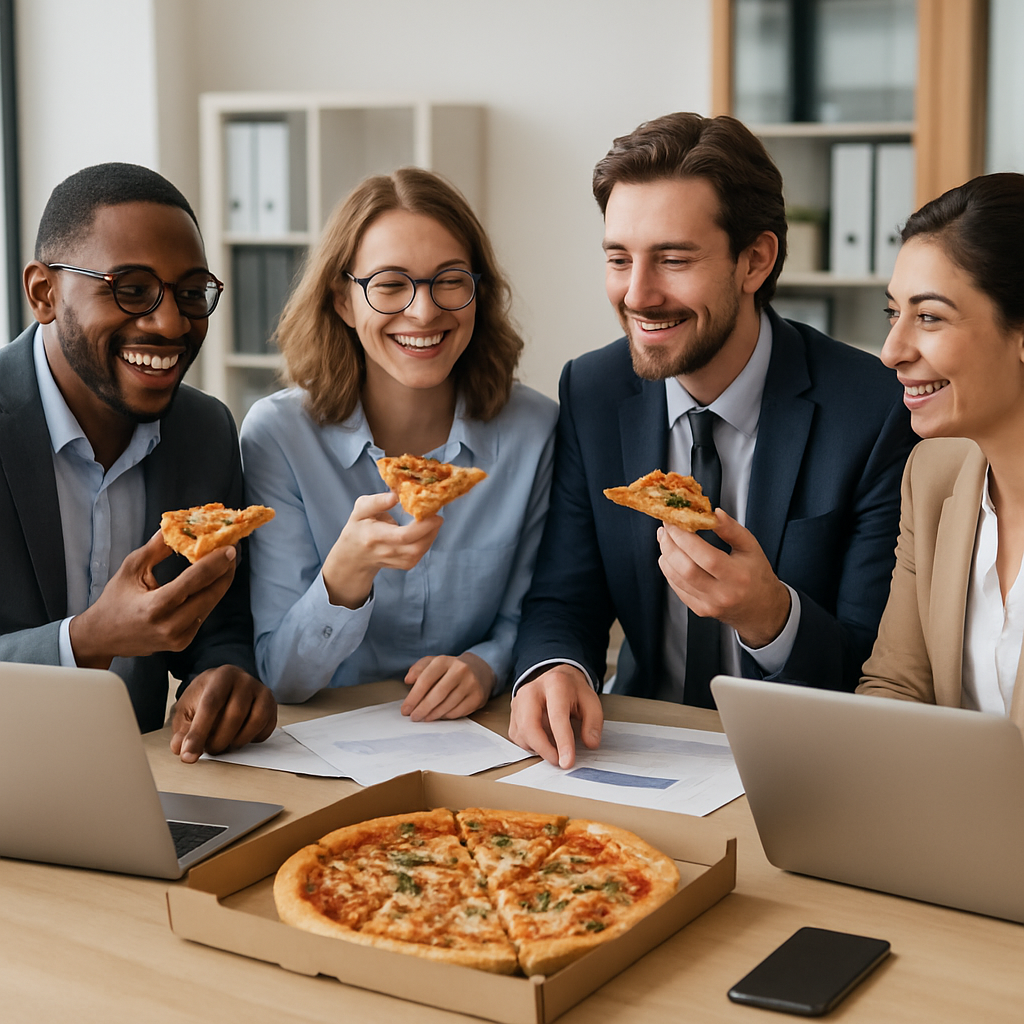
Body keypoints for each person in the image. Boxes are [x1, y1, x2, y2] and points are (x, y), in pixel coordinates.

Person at [508, 112, 917, 767]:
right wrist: (554, 667)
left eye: (672, 259)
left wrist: (769, 616)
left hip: (808, 760)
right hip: (634, 748)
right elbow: (566, 595)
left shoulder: (870, 409)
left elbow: (877, 669)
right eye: (619, 259)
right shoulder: (592, 389)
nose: (637, 295)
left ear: (755, 260)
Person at [241, 167, 557, 721]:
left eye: (450, 279)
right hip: (327, 743)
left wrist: (487, 664)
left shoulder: (536, 430)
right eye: (390, 284)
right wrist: (344, 577)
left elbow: (539, 612)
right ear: (343, 301)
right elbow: (281, 678)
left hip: (487, 731)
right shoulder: (278, 436)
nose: (425, 311)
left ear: (477, 291)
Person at [0, 162, 277, 763]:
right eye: (131, 289)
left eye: (190, 293)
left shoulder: (204, 431)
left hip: (148, 787)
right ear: (44, 293)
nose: (171, 323)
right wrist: (87, 640)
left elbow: (221, 622)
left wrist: (222, 674)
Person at [858, 174, 1024, 729]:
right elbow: (895, 686)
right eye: (893, 313)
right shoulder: (933, 476)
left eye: (928, 316)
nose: (891, 351)